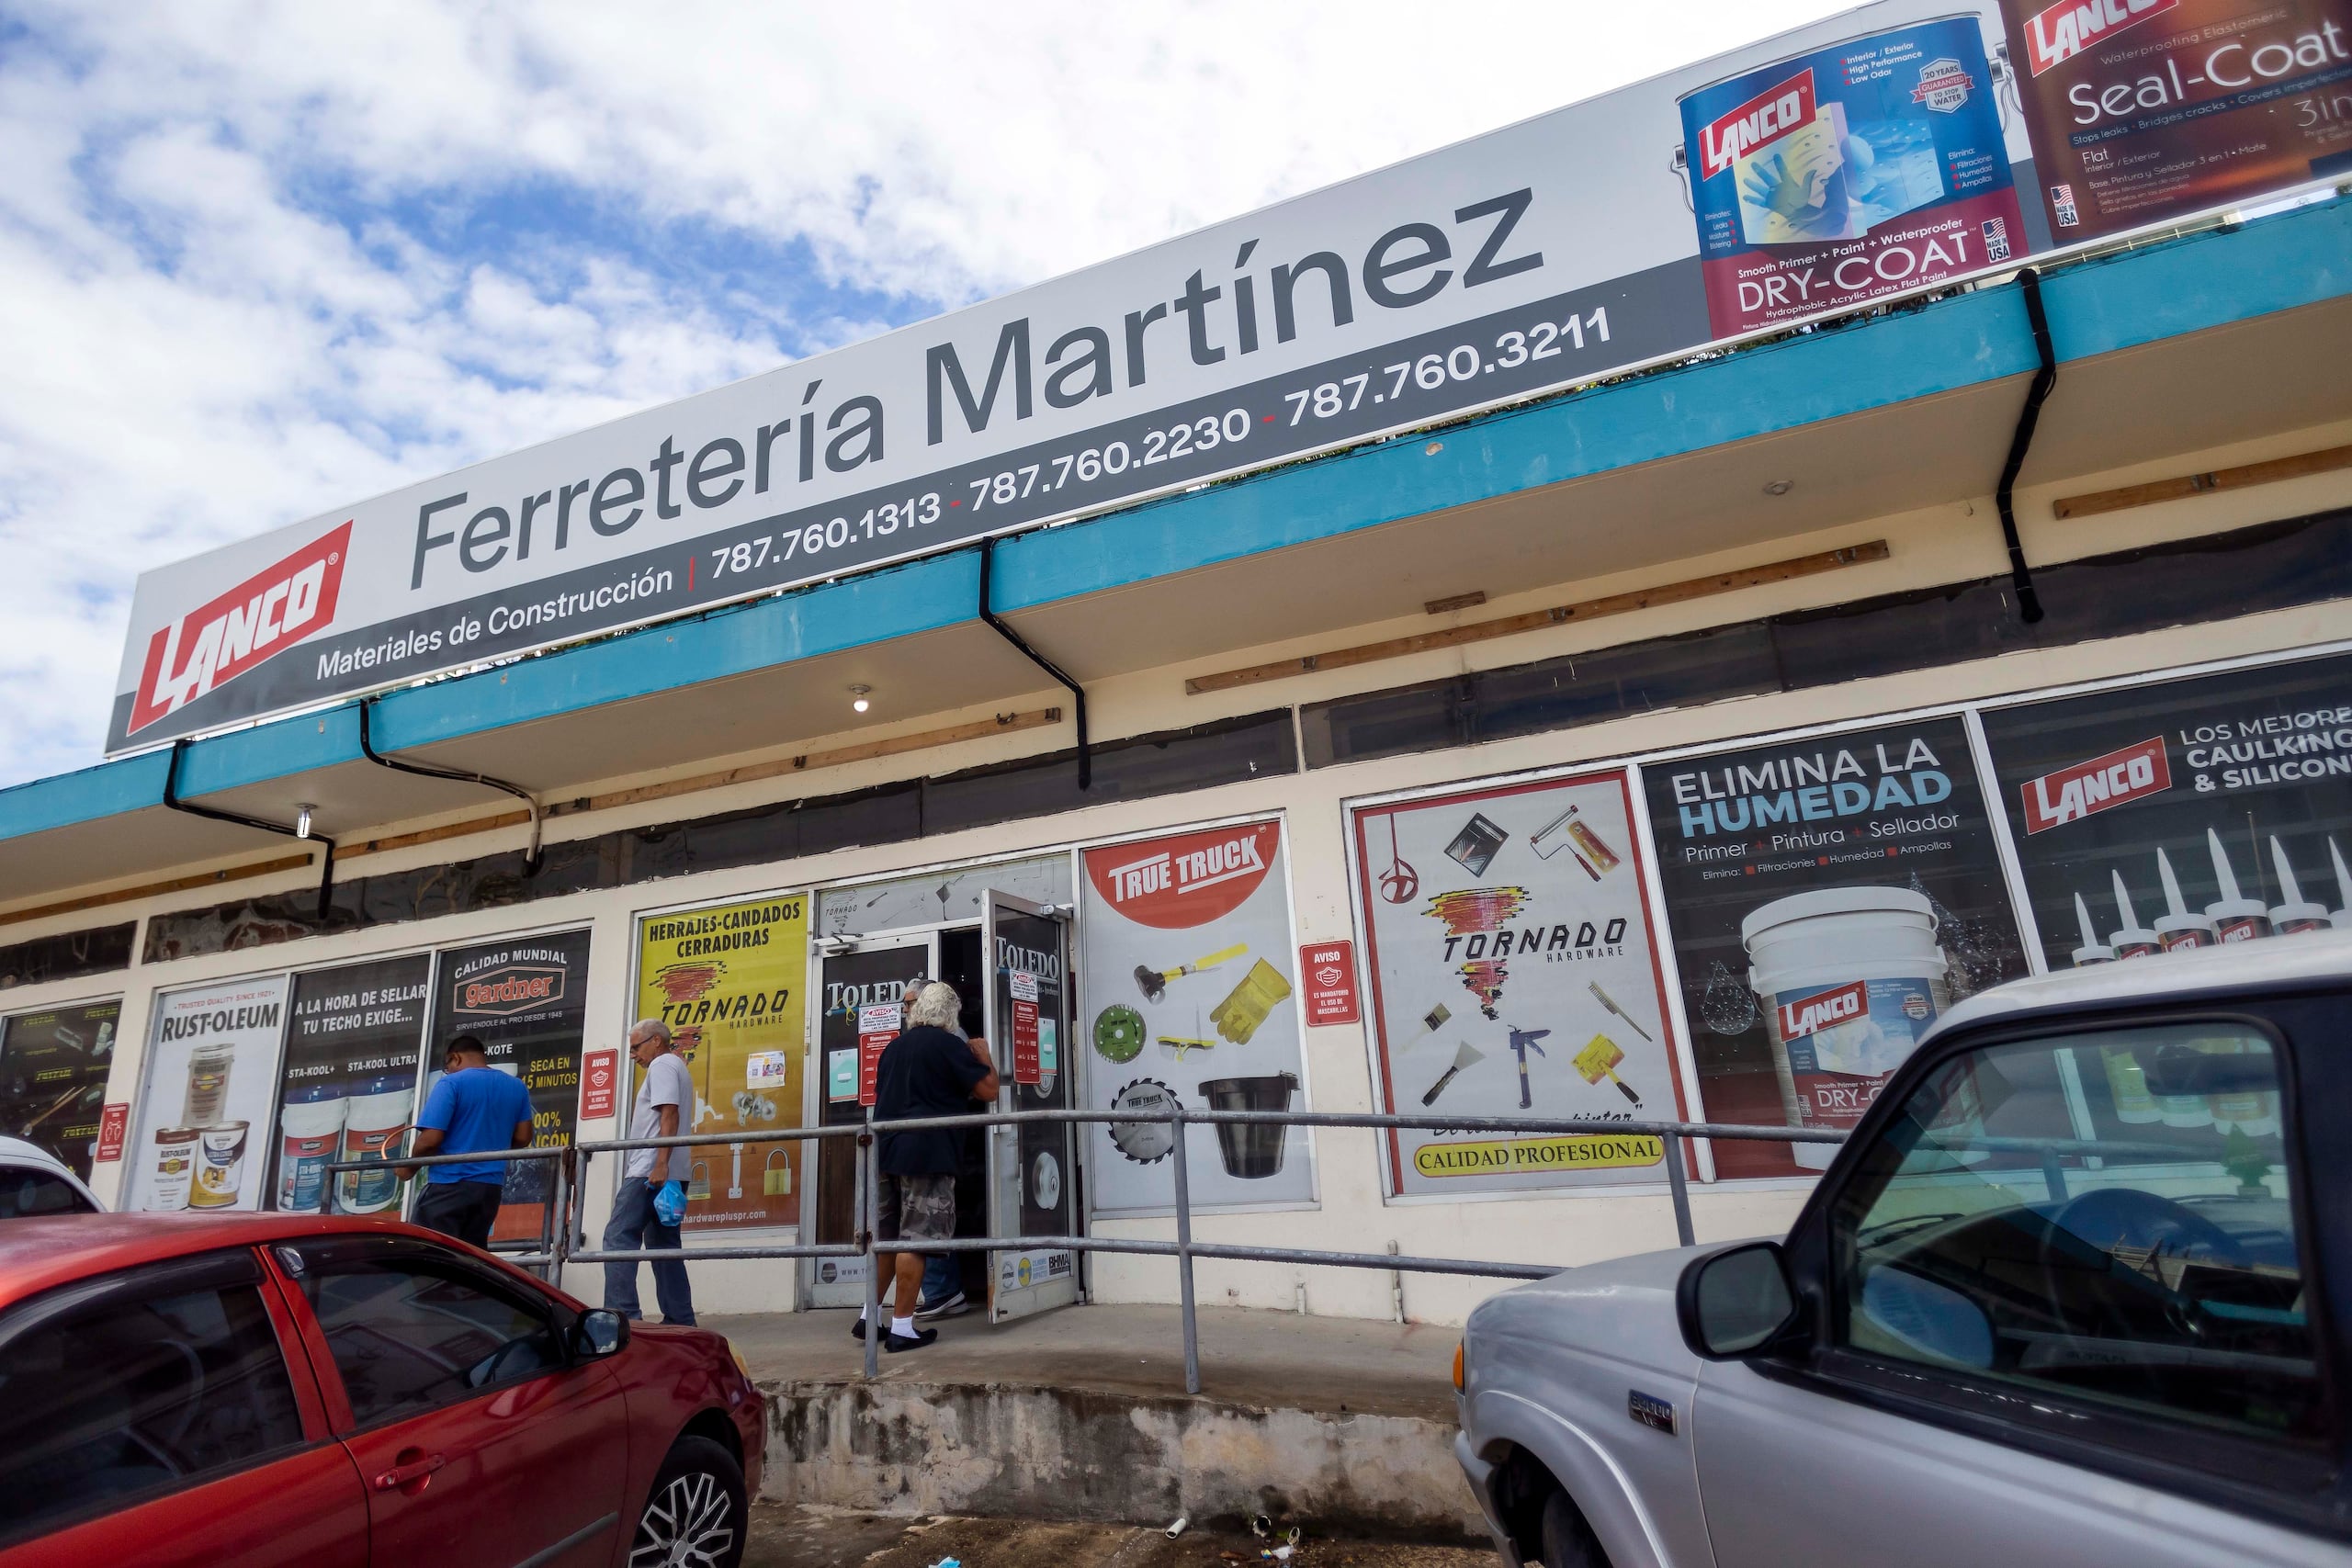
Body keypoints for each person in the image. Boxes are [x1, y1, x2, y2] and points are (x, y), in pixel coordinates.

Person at [859, 981, 996, 1351]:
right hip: (928, 1153)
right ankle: (903, 1327)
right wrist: (983, 1055)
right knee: (917, 1240)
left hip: (886, 1151)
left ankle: (868, 1316)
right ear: (950, 1014)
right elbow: (989, 1091)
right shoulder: (948, 1044)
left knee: (885, 1240)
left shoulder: (893, 1047)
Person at [401, 1034, 534, 1250]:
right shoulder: (516, 1086)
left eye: (448, 1066)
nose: (448, 1071)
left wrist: (407, 1168)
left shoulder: (451, 1083)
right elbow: (523, 1138)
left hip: (450, 1185)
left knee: (430, 1254)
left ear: (455, 1058)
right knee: (470, 1259)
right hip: (489, 1190)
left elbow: (430, 1139)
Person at [604, 1018, 696, 1325]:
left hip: (651, 1170)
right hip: (669, 1170)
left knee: (618, 1238)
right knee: (665, 1247)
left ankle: (623, 1317)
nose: (633, 1055)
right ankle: (680, 1319)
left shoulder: (663, 1065)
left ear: (656, 1040)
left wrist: (660, 1163)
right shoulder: (676, 1066)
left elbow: (669, 1112)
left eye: (636, 1047)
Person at [901, 977, 983, 1323]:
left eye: (911, 1003)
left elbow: (981, 1088)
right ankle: (939, 1292)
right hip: (921, 1143)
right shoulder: (918, 1040)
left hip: (936, 1143)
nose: (907, 1010)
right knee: (923, 1221)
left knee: (928, 1219)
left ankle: (943, 1291)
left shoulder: (950, 1039)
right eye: (905, 1004)